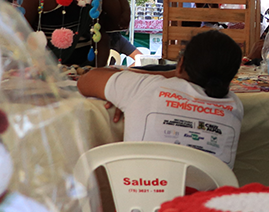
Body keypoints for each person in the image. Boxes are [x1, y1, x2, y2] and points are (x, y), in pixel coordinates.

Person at [76, 29, 244, 167]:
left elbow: (86, 80)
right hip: (205, 207)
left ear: (181, 64)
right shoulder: (235, 105)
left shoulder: (145, 88)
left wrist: (123, 93)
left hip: (138, 205)